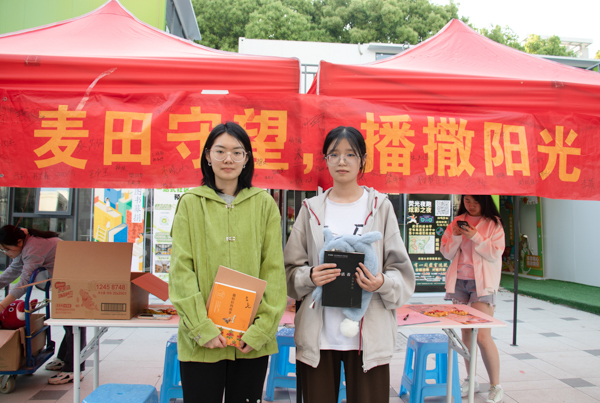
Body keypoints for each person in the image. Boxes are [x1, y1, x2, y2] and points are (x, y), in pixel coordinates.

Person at [284, 126, 416, 403]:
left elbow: (401, 272)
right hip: (318, 337)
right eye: (334, 154)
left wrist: (381, 282)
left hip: (369, 337)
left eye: (350, 154)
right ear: (326, 160)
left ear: (362, 160)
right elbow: (289, 271)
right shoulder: (311, 209)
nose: (341, 161)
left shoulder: (380, 207)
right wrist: (310, 276)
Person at [169, 122, 287, 403]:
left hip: (250, 342)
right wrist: (202, 328)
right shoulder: (191, 203)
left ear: (247, 158)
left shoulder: (264, 204)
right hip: (202, 342)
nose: (228, 159)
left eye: (237, 152)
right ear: (208, 156)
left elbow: (273, 271)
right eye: (220, 151)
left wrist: (261, 331)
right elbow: (181, 271)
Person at [0, 225, 86, 384]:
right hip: (65, 278)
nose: (6, 253)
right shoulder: (26, 242)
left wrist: (2, 305)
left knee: (73, 325)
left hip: (75, 278)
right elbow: (13, 270)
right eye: (2, 250)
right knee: (66, 321)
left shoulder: (33, 248)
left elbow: (24, 283)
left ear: (18, 242)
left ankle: (73, 370)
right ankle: (63, 359)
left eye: (7, 249)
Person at [440, 195, 505, 403]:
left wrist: (476, 236)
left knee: (483, 336)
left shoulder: (493, 223)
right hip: (459, 282)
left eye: (476, 201)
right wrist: (456, 235)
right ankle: (471, 379)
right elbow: (446, 253)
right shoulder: (457, 221)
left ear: (484, 200)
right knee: (466, 334)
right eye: (467, 200)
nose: (471, 205)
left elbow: (495, 253)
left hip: (483, 283)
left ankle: (496, 386)